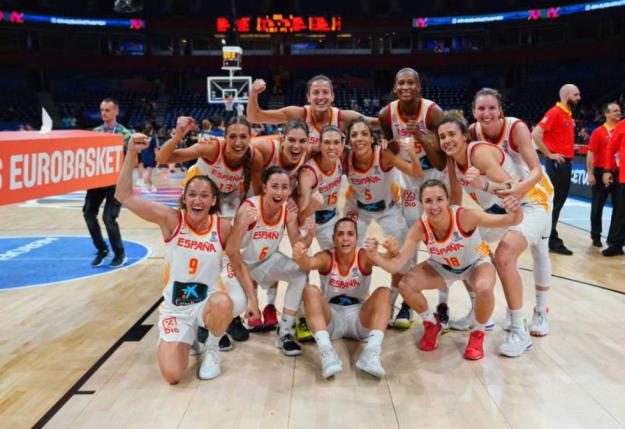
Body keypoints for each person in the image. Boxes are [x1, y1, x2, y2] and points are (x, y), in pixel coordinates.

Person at [114, 134, 259, 383]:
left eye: (204, 195)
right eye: (192, 194)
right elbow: (124, 196)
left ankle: (212, 347)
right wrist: (130, 154)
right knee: (173, 376)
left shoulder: (221, 226)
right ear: (184, 198)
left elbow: (236, 260)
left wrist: (253, 300)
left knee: (224, 303)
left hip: (207, 305)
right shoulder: (171, 219)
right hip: (176, 309)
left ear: (214, 201)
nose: (197, 200)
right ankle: (186, 336)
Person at [364, 179, 522, 360]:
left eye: (439, 199)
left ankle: (478, 334)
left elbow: (509, 220)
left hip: (476, 263)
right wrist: (375, 256)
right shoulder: (419, 228)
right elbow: (396, 265)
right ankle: (432, 324)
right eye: (428, 201)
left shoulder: (465, 217)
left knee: (485, 289)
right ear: (421, 204)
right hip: (442, 267)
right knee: (405, 284)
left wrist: (517, 209)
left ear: (447, 200)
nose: (434, 206)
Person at [441, 114, 553, 356]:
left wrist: (483, 185)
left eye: (451, 134)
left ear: (464, 136)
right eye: (442, 136)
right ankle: (479, 312)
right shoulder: (452, 161)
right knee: (463, 246)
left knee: (503, 257)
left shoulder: (478, 154)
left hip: (531, 202)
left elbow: (509, 187)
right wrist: (449, 227)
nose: (447, 140)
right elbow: (455, 199)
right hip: (504, 207)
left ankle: (518, 329)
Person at [460, 88, 553, 333]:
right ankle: (480, 310)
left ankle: (541, 311)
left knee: (539, 249)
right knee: (469, 245)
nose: (486, 113)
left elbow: (536, 171)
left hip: (535, 194)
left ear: (500, 109)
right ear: (474, 112)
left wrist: (516, 191)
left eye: (492, 108)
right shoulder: (472, 132)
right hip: (504, 196)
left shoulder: (516, 128)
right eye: (481, 108)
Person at [378, 67, 447, 328]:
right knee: (410, 237)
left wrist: (421, 136)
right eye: (401, 84)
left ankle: (443, 305)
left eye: (411, 83)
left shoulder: (433, 112)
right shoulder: (387, 115)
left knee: (442, 239)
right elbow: (391, 148)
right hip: (407, 179)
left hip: (435, 178)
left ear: (418, 87)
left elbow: (441, 162)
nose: (406, 87)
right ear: (395, 88)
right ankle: (406, 302)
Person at [225, 166, 314, 356]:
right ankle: (215, 328)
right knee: (239, 303)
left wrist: (310, 234)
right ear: (264, 187)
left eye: (284, 187)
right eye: (274, 186)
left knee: (300, 273)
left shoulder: (287, 212)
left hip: (265, 262)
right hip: (237, 265)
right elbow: (232, 252)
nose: (279, 192)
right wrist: (252, 299)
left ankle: (285, 331)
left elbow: (297, 247)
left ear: (289, 190)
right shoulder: (249, 209)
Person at [343, 117, 421, 328]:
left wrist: (411, 152)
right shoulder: (345, 158)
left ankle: (399, 303)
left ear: (372, 138)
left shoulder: (383, 155)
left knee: (401, 256)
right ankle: (357, 300)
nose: (359, 138)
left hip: (388, 208)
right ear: (349, 140)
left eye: (364, 134)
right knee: (348, 252)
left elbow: (415, 172)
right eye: (354, 135)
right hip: (358, 208)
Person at [292, 218, 392, 379]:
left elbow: (388, 260)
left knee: (384, 292)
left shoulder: (364, 256)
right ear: (333, 239)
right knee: (310, 291)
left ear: (356, 238)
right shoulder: (326, 257)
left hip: (360, 317)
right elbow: (308, 263)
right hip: (332, 318)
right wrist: (299, 255)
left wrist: (392, 250)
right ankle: (327, 353)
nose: (345, 238)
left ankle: (372, 353)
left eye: (350, 234)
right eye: (340, 234)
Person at [156, 116, 264, 218]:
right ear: (225, 137)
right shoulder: (211, 148)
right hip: (198, 191)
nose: (238, 142)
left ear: (250, 138)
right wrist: (177, 137)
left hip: (228, 195)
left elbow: (256, 195)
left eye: (243, 136)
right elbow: (162, 158)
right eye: (232, 136)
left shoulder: (255, 157)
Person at [247, 75, 379, 153]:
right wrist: (253, 93)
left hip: (331, 183)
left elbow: (376, 123)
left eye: (325, 92)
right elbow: (254, 116)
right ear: (308, 98)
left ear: (332, 96)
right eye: (315, 92)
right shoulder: (298, 114)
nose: (320, 97)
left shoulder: (343, 117)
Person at [532, 84, 581, 255]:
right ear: (566, 95)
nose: (579, 97)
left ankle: (546, 237)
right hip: (558, 164)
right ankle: (551, 240)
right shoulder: (555, 112)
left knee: (557, 203)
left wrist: (568, 146)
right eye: (576, 94)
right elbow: (535, 134)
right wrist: (550, 154)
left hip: (563, 162)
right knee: (555, 203)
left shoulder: (567, 114)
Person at [85, 98, 131, 267]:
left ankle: (120, 253)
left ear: (116, 111)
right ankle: (102, 249)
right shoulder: (95, 133)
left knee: (108, 218)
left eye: (108, 110)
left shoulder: (125, 134)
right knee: (88, 214)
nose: (104, 113)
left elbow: (132, 157)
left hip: (115, 184)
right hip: (97, 182)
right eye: (102, 110)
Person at [298, 125, 345, 250]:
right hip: (309, 220)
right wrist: (312, 206)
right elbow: (301, 218)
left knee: (340, 255)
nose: (332, 147)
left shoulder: (340, 158)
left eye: (336, 142)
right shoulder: (309, 173)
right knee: (301, 260)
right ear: (320, 145)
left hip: (331, 217)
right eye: (327, 142)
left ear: (342, 145)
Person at [587, 103, 622, 249]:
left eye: (619, 110)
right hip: (601, 171)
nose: (618, 113)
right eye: (615, 111)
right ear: (606, 114)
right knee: (597, 206)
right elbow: (591, 152)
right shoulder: (598, 132)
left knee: (619, 207)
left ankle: (614, 240)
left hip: (619, 172)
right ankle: (596, 235)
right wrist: (590, 173)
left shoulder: (622, 129)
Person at [602, 117, 625, 256]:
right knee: (621, 213)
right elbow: (611, 149)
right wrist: (607, 170)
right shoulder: (622, 125)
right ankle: (615, 244)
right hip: (623, 178)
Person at [139, 123, 159, 193]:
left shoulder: (142, 137)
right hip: (151, 156)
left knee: (148, 173)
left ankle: (151, 186)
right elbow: (155, 149)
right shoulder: (153, 138)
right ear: (151, 130)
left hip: (144, 156)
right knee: (148, 172)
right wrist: (158, 158)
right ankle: (143, 186)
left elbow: (140, 149)